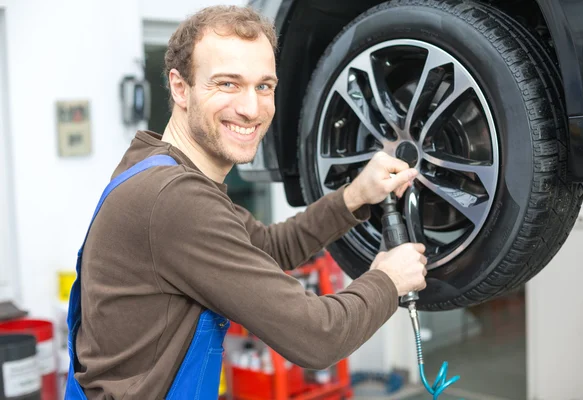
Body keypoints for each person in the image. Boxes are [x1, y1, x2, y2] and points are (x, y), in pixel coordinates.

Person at [64, 5, 427, 400]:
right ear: (180, 87)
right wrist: (388, 281)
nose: (252, 109)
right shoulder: (174, 200)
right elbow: (317, 337)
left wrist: (356, 196)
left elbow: (269, 248)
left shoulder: (156, 167)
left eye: (264, 86)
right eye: (227, 84)